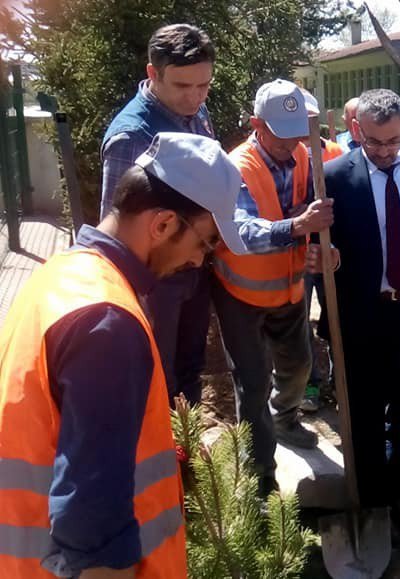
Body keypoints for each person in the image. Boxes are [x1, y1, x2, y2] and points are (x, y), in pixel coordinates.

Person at [0, 133, 246, 578]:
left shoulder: (63, 274)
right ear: (164, 224)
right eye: (206, 242)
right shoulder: (107, 322)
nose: (198, 261)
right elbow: (90, 521)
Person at [211, 79, 334, 496]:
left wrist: (320, 242)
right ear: (255, 124)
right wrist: (297, 225)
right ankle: (261, 473)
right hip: (241, 297)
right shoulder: (235, 167)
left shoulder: (305, 155)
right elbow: (241, 231)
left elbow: (340, 173)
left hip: (289, 290)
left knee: (299, 366)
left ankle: (284, 417)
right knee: (253, 383)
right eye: (281, 135)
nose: (291, 143)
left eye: (298, 132)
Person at [323, 88, 400, 533]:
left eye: (392, 142)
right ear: (356, 131)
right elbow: (322, 248)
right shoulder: (333, 176)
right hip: (361, 312)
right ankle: (369, 497)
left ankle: (398, 494)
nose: (385, 152)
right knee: (365, 410)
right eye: (374, 143)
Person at [99, 23, 216, 405]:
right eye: (183, 86)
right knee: (157, 383)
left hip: (194, 267)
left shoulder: (198, 115)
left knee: (189, 373)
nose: (195, 97)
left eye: (203, 85)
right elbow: (114, 233)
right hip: (155, 282)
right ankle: (165, 463)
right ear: (153, 73)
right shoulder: (131, 137)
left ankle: (189, 459)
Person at [299, 88, 343, 413]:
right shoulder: (286, 159)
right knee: (299, 323)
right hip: (298, 256)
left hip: (332, 252)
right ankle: (310, 384)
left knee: (335, 321)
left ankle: (339, 382)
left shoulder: (336, 154)